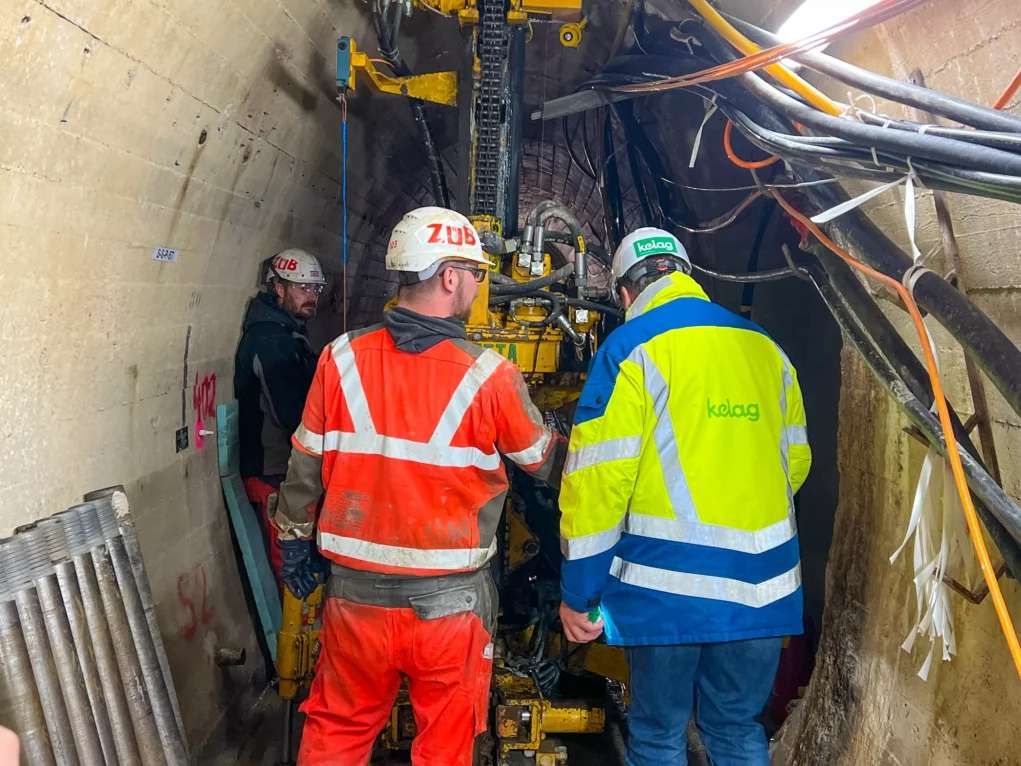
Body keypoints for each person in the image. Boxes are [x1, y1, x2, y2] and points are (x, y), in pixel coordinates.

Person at [272, 207, 566, 766]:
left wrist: (293, 538)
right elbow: (540, 460)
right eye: (477, 274)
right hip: (451, 608)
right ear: (450, 277)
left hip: (355, 599)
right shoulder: (490, 375)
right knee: (446, 747)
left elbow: (305, 464)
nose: (480, 285)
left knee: (336, 730)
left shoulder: (339, 359)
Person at [557, 227, 812, 766]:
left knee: (656, 735)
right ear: (687, 276)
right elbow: (796, 465)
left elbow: (599, 483)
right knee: (737, 729)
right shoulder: (768, 350)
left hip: (667, 592)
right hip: (765, 594)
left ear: (625, 293)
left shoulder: (629, 350)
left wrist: (579, 592)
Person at [234, 248, 326, 581]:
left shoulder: (290, 334)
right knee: (288, 569)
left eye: (316, 289)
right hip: (272, 475)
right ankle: (287, 633)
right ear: (279, 288)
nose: (312, 296)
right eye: (303, 288)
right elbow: (293, 415)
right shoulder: (271, 341)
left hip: (285, 473)